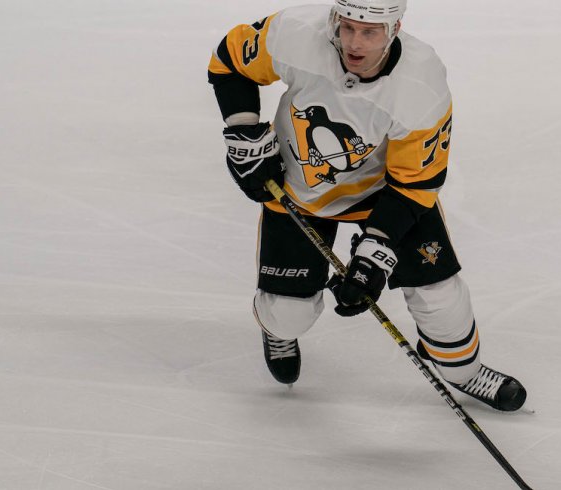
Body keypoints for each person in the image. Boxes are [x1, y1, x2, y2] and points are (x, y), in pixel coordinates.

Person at [207, 0, 526, 411]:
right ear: (334, 20)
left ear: (395, 28)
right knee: (287, 315)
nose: (354, 43)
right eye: (348, 27)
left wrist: (376, 251)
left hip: (385, 191)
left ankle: (463, 372)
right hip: (300, 190)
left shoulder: (421, 83)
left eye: (370, 32)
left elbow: (415, 184)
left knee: (440, 298)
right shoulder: (295, 33)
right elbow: (230, 61)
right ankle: (277, 328)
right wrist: (244, 131)